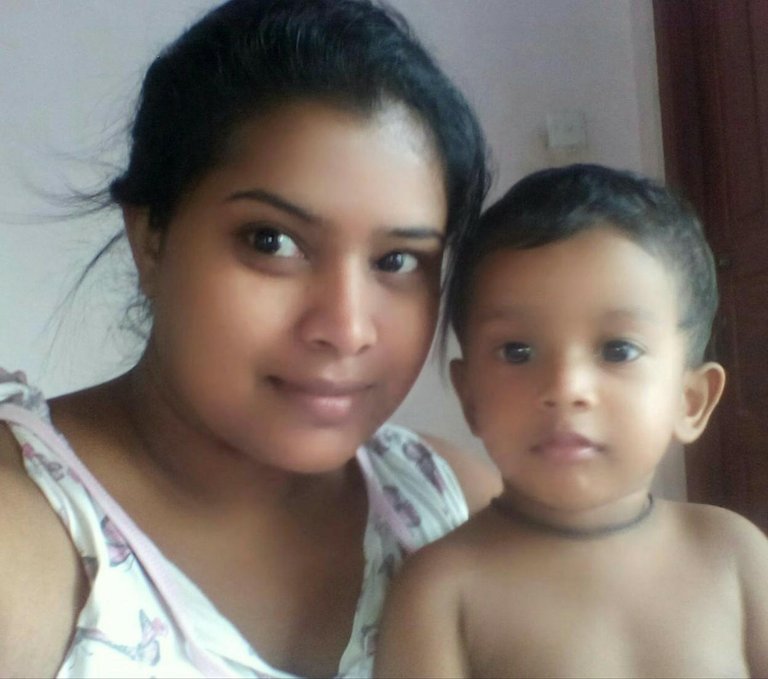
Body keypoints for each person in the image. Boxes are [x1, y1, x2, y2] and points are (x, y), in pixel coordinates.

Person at [0, 1, 502, 676]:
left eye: (397, 260)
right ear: (150, 238)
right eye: (272, 241)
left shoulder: (450, 505)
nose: (346, 329)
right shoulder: (25, 534)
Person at [374, 164, 768, 678]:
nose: (565, 387)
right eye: (517, 351)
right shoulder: (441, 589)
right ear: (470, 398)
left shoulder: (735, 555)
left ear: (689, 401)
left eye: (618, 350)